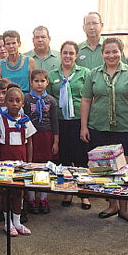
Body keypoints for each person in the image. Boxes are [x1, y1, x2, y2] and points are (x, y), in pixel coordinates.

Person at [80, 37, 128, 223]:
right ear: (102, 54)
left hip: (124, 127)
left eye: (115, 51)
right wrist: (84, 126)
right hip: (98, 126)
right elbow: (86, 100)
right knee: (106, 170)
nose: (111, 55)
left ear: (121, 52)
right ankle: (112, 205)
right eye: (107, 52)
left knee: (123, 170)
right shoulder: (93, 74)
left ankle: (124, 208)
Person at [47, 41, 92, 209]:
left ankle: (84, 194)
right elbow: (50, 101)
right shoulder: (52, 75)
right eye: (65, 53)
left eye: (71, 53)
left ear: (76, 55)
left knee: (81, 157)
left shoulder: (85, 73)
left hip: (79, 121)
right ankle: (67, 191)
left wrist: (85, 125)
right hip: (60, 122)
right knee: (63, 158)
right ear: (61, 54)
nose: (68, 56)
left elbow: (89, 97)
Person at [0, 84, 36, 236]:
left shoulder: (25, 121)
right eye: (11, 101)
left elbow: (29, 143)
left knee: (19, 192)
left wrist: (29, 163)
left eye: (18, 101)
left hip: (22, 162)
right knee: (6, 192)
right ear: (5, 102)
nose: (14, 104)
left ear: (23, 103)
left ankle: (17, 222)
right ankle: (7, 222)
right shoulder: (0, 120)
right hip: (5, 162)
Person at [24, 69, 59, 214]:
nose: (39, 84)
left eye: (42, 81)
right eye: (36, 81)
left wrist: (55, 141)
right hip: (31, 136)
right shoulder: (26, 99)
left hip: (47, 136)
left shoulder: (50, 100)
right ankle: (31, 198)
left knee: (45, 167)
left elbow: (55, 121)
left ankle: (44, 198)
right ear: (31, 82)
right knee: (31, 166)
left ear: (47, 82)